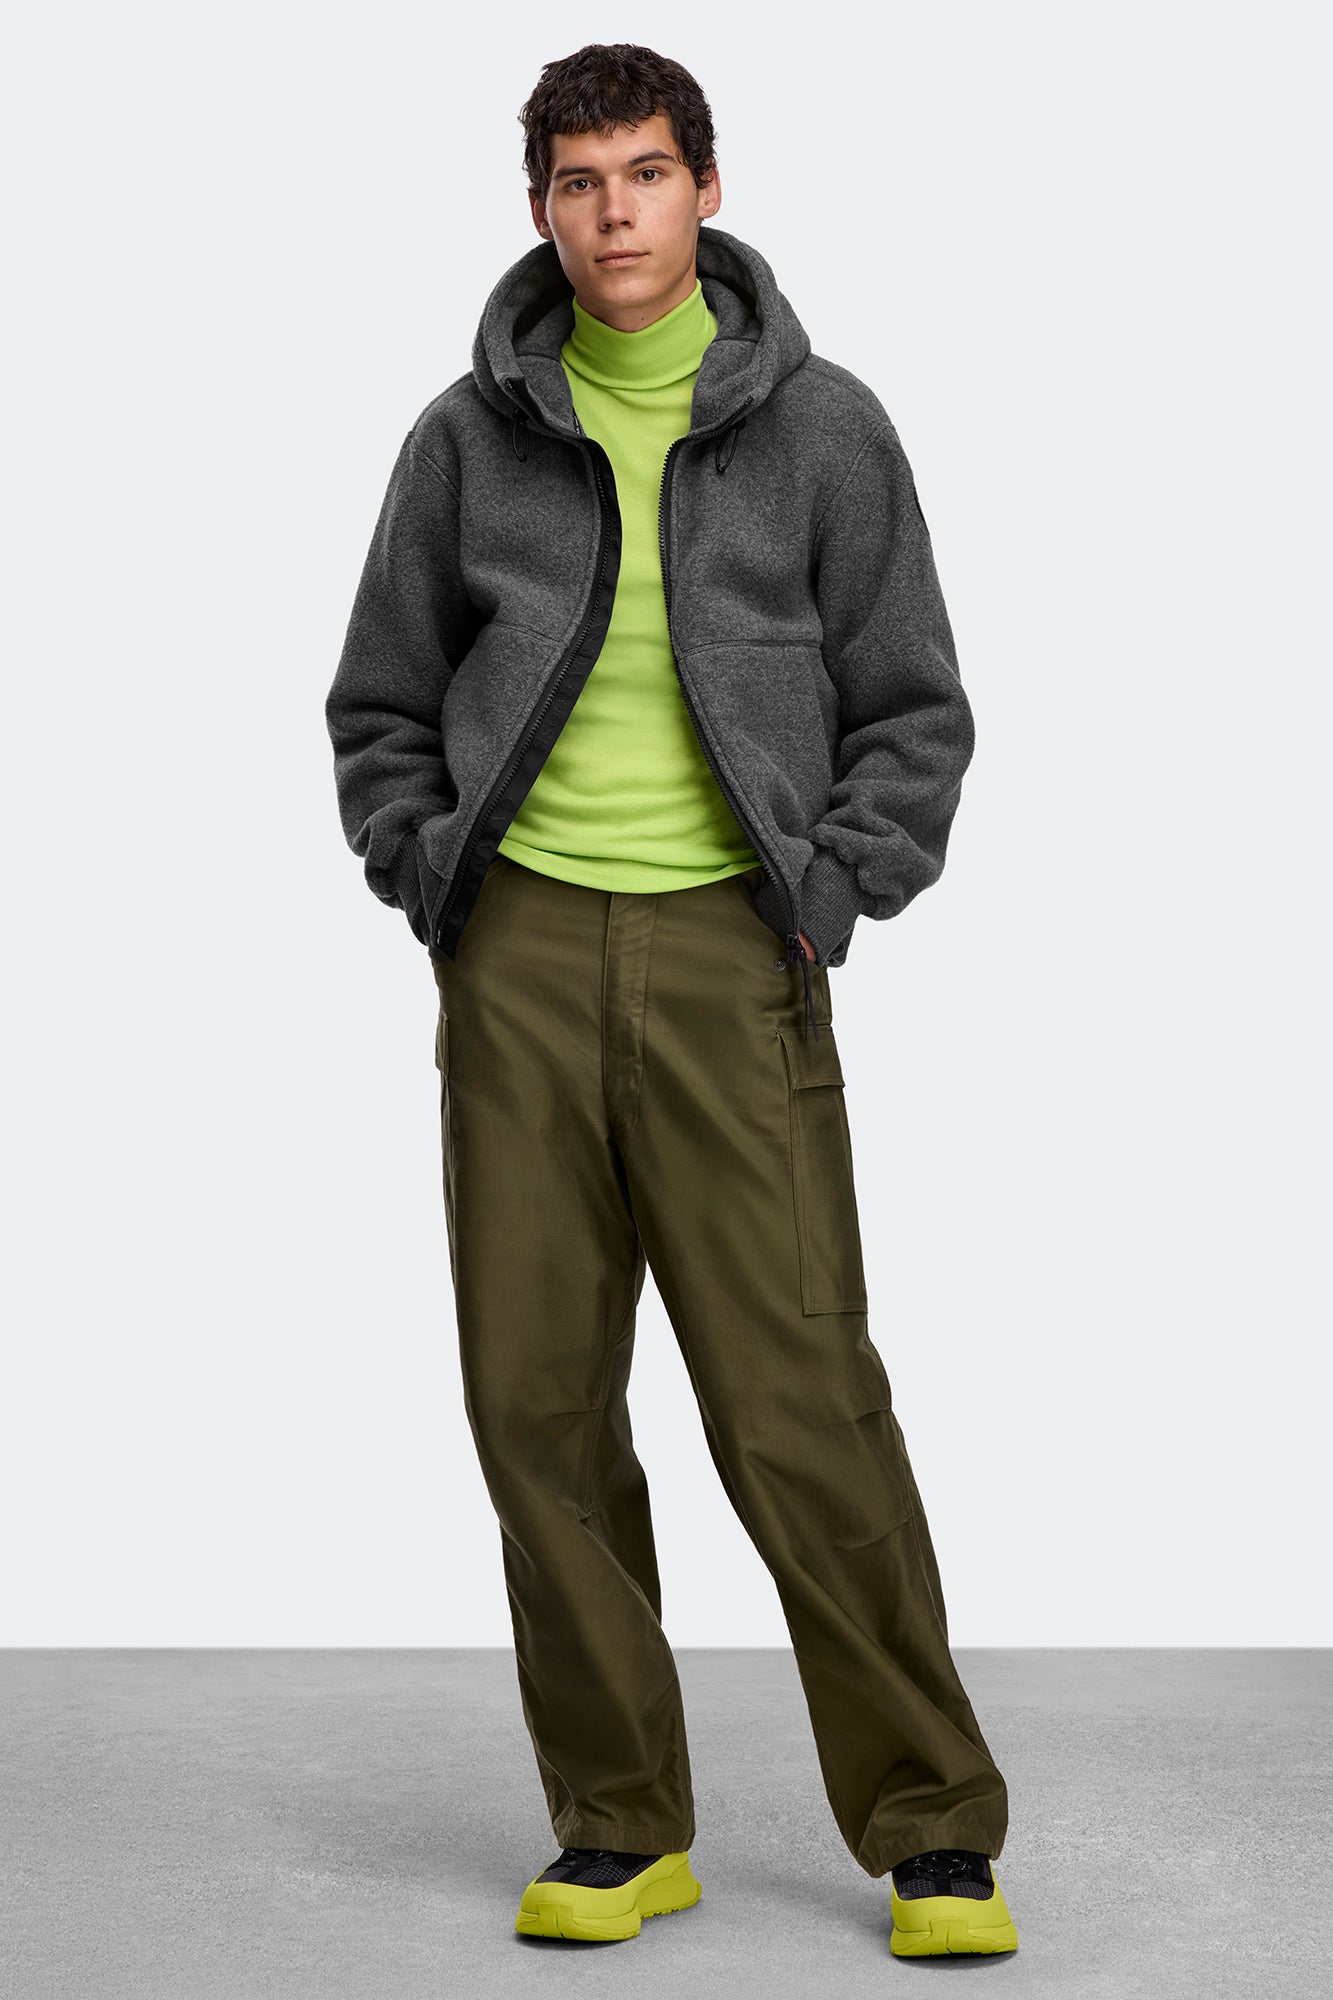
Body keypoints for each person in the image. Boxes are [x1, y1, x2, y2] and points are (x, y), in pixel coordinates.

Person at [325, 41, 1018, 1960]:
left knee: (798, 1401)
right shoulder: (464, 442)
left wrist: (836, 884)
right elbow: (381, 698)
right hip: (521, 959)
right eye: (576, 181)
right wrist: (426, 866)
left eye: (642, 173)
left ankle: (932, 1826)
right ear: (538, 207)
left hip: (734, 950)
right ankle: (621, 1823)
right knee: (533, 1403)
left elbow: (913, 702)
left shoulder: (825, 430)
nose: (611, 212)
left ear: (706, 189)